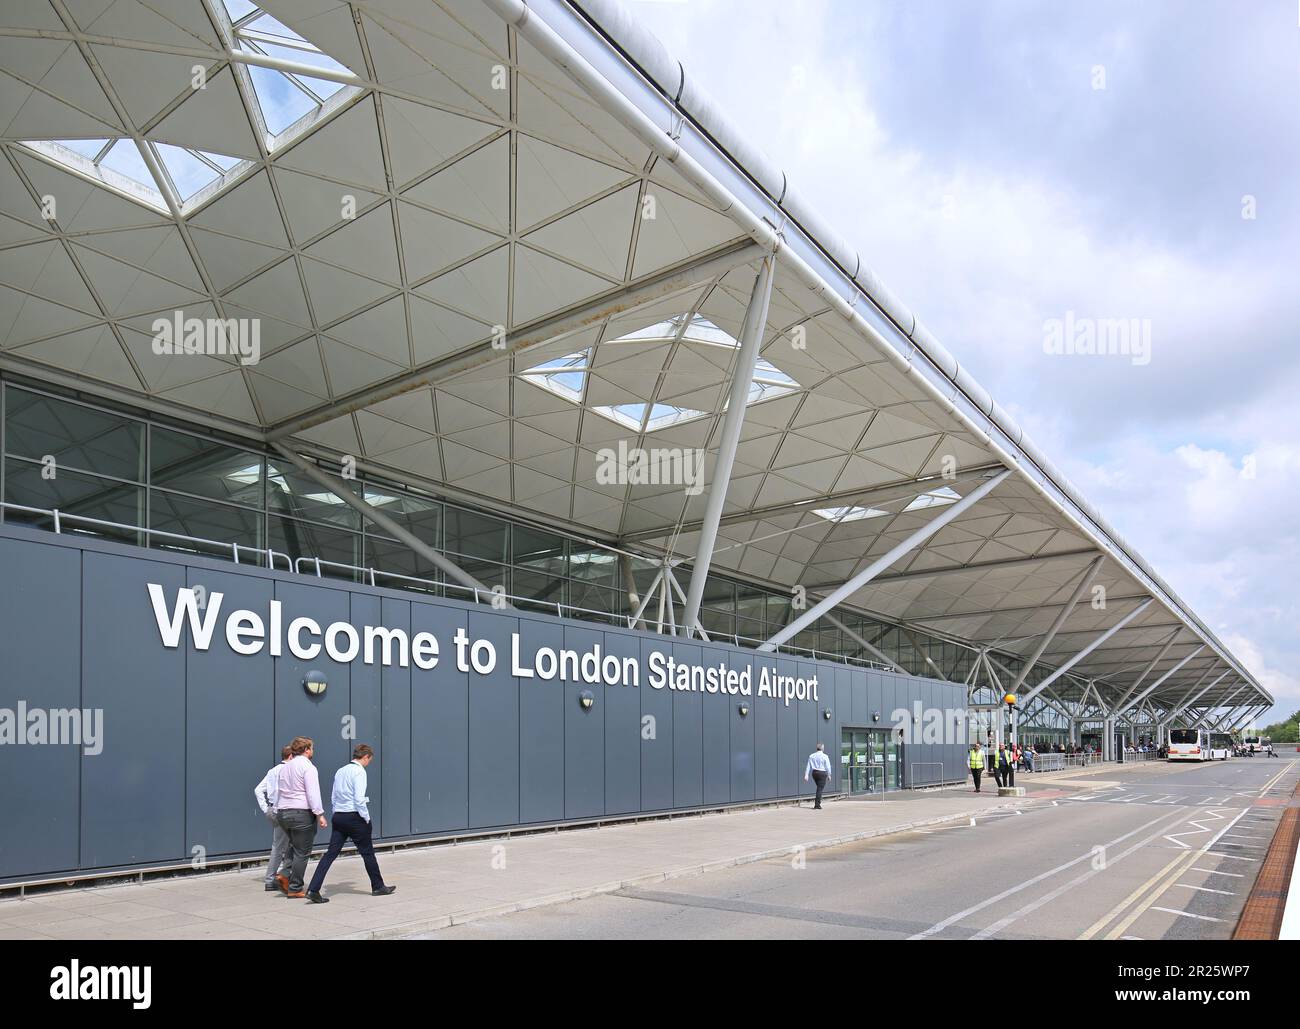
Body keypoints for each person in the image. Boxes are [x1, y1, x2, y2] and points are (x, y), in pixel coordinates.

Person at [305, 744, 396, 903]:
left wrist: (336, 812)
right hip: (354, 817)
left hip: (339, 816)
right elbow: (359, 799)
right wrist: (366, 818)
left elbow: (333, 796)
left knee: (330, 854)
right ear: (366, 757)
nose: (369, 763)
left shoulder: (341, 770)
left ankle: (313, 889)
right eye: (369, 760)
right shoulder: (359, 772)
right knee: (367, 853)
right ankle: (378, 886)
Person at [274, 736, 328, 899]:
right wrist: (319, 814)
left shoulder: (285, 767)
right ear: (306, 750)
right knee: (302, 852)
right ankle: (295, 887)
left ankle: (284, 873)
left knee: (294, 845)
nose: (313, 751)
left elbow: (279, 791)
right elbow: (312, 793)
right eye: (312, 748)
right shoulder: (308, 767)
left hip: (283, 812)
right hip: (301, 813)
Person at [255, 744, 292, 892]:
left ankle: (272, 879)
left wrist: (266, 809)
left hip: (274, 811)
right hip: (287, 811)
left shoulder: (272, 771)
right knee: (291, 846)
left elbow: (258, 790)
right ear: (291, 756)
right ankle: (279, 877)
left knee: (278, 847)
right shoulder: (290, 771)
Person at [804, 743, 832, 810]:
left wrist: (806, 775)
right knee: (819, 789)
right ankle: (817, 804)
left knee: (819, 788)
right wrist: (829, 774)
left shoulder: (811, 756)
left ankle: (818, 802)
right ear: (822, 748)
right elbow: (828, 766)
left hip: (814, 773)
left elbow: (808, 766)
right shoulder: (825, 756)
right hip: (822, 773)